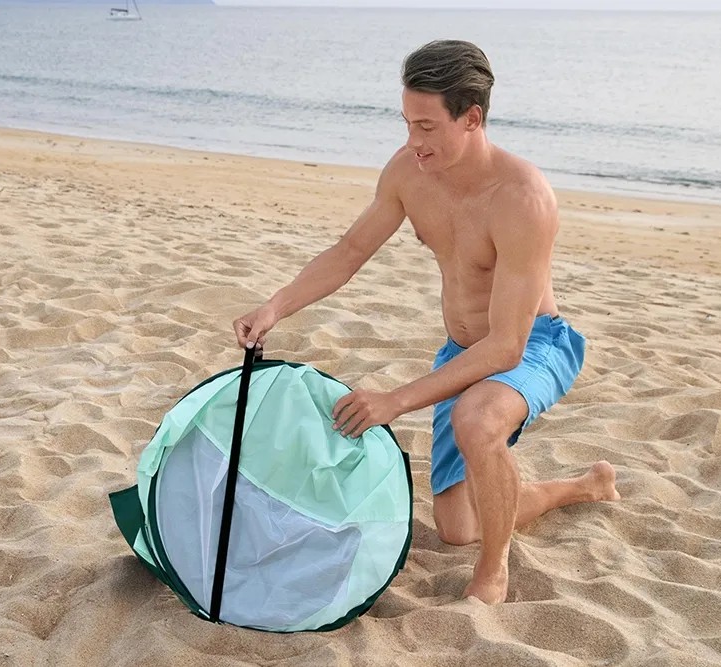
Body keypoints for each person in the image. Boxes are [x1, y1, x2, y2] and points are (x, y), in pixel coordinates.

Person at [233, 39, 620, 605]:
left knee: (477, 420)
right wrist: (275, 305)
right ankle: (585, 487)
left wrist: (395, 400)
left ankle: (494, 571)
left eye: (427, 127)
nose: (413, 141)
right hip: (462, 349)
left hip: (535, 342)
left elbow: (507, 347)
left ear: (472, 118)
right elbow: (349, 251)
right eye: (407, 124)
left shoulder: (522, 198)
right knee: (457, 527)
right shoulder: (409, 172)